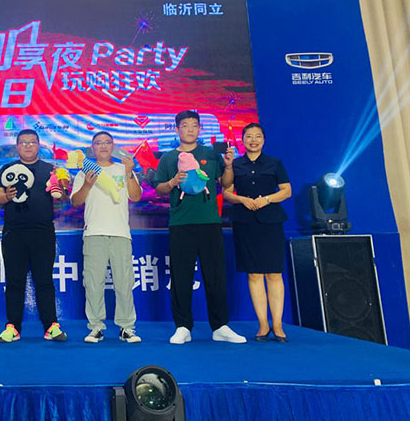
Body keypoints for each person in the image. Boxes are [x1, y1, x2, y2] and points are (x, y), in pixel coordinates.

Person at [153, 110, 246, 344]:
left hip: (209, 222)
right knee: (181, 276)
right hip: (180, 223)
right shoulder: (168, 158)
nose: (190, 129)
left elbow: (225, 183)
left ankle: (220, 326)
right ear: (177, 129)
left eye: (194, 125)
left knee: (215, 275)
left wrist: (228, 166)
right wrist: (173, 181)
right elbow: (159, 188)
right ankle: (183, 326)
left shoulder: (210, 154)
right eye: (185, 125)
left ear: (200, 129)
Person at [0, 129, 66, 343]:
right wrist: (6, 195)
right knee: (15, 281)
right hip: (14, 232)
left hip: (43, 232)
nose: (28, 146)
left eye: (32, 142)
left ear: (39, 145)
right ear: (17, 146)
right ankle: (13, 327)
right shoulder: (8, 169)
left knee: (44, 280)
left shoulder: (50, 169)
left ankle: (51, 326)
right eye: (23, 142)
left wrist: (61, 187)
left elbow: (61, 196)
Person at [71, 131, 142, 344]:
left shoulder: (123, 168)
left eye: (107, 142)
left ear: (113, 146)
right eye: (98, 143)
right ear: (92, 148)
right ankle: (96, 327)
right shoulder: (85, 171)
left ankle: (126, 327)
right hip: (94, 233)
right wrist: (88, 184)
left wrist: (129, 174)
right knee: (93, 283)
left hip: (120, 233)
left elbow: (136, 196)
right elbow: (75, 201)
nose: (103, 146)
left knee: (124, 283)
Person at [223, 123, 292, 342]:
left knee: (274, 273)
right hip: (245, 222)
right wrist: (241, 199)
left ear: (264, 139)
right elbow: (226, 192)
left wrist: (267, 199)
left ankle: (278, 325)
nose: (253, 140)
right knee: (253, 274)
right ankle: (263, 325)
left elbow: (286, 191)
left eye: (258, 136)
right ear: (242, 140)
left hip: (270, 222)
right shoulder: (235, 164)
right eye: (249, 137)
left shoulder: (274, 163)